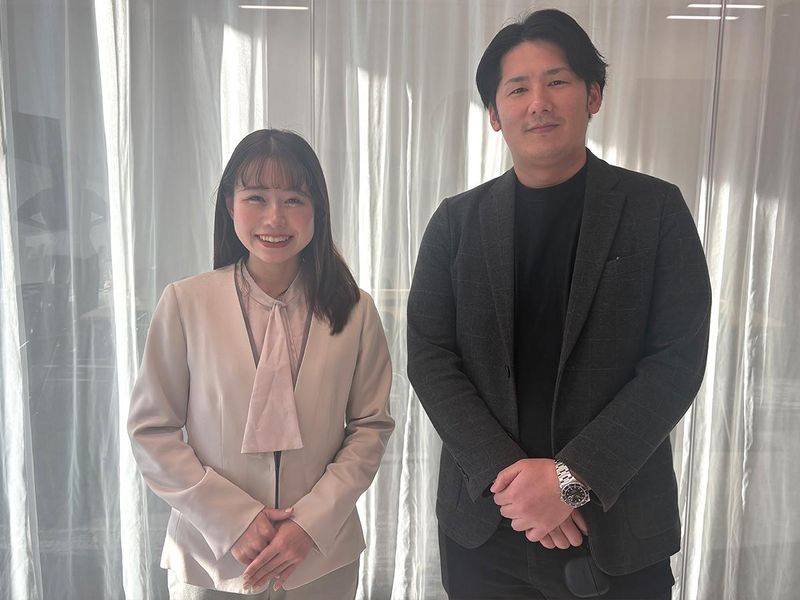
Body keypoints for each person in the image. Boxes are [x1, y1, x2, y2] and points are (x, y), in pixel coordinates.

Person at [407, 9, 711, 600]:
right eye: (517, 89)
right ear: (494, 114)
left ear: (593, 96)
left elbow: (676, 363)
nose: (538, 102)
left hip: (616, 531)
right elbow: (430, 356)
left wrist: (570, 482)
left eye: (558, 81)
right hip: (486, 528)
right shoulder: (456, 222)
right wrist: (516, 486)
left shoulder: (655, 210)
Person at [128, 129, 394, 599]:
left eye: (294, 199)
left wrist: (310, 524)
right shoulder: (186, 303)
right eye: (256, 197)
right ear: (230, 204)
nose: (275, 217)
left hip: (321, 559)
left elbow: (369, 427)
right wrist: (231, 518)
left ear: (317, 212)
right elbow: (152, 431)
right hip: (210, 560)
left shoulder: (355, 310)